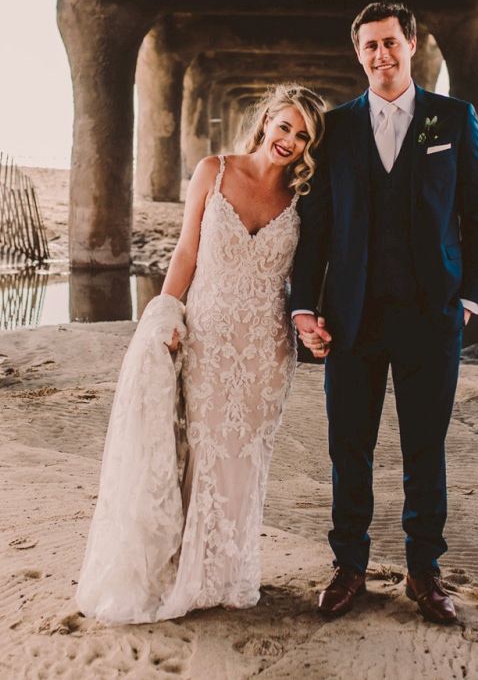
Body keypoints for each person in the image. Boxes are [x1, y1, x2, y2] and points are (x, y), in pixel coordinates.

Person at [76, 83, 325, 623]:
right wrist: (167, 312)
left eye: (302, 136)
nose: (290, 140)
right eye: (284, 126)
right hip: (210, 338)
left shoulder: (304, 198)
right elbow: (187, 250)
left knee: (246, 462)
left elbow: (313, 270)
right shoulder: (213, 171)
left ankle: (231, 576)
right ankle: (189, 573)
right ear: (266, 122)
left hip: (266, 349)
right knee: (203, 452)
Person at [292, 2, 478, 625]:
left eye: (391, 43)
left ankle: (424, 573)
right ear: (358, 54)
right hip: (350, 319)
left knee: (424, 448)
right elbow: (315, 226)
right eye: (370, 46)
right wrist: (303, 306)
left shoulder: (452, 118)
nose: (381, 54)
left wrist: (469, 297)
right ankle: (349, 566)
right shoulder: (336, 127)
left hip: (431, 317)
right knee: (348, 448)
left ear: (412, 45)